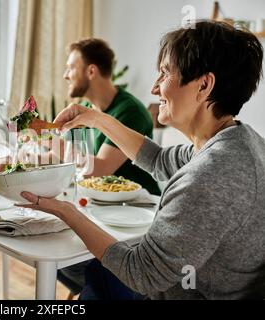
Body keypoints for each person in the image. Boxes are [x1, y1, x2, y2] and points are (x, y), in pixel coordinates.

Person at [20, 20, 265, 299]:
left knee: (83, 270)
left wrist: (66, 211)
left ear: (204, 85)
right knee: (89, 273)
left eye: (164, 74)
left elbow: (142, 273)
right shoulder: (238, 142)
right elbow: (158, 159)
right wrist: (97, 119)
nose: (154, 88)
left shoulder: (210, 177)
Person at [57, 38, 161, 295]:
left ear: (91, 71)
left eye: (71, 67)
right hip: (101, 210)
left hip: (134, 220)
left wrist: (53, 145)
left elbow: (99, 168)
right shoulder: (91, 111)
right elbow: (80, 163)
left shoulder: (130, 111)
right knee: (57, 256)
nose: (65, 74)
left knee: (65, 259)